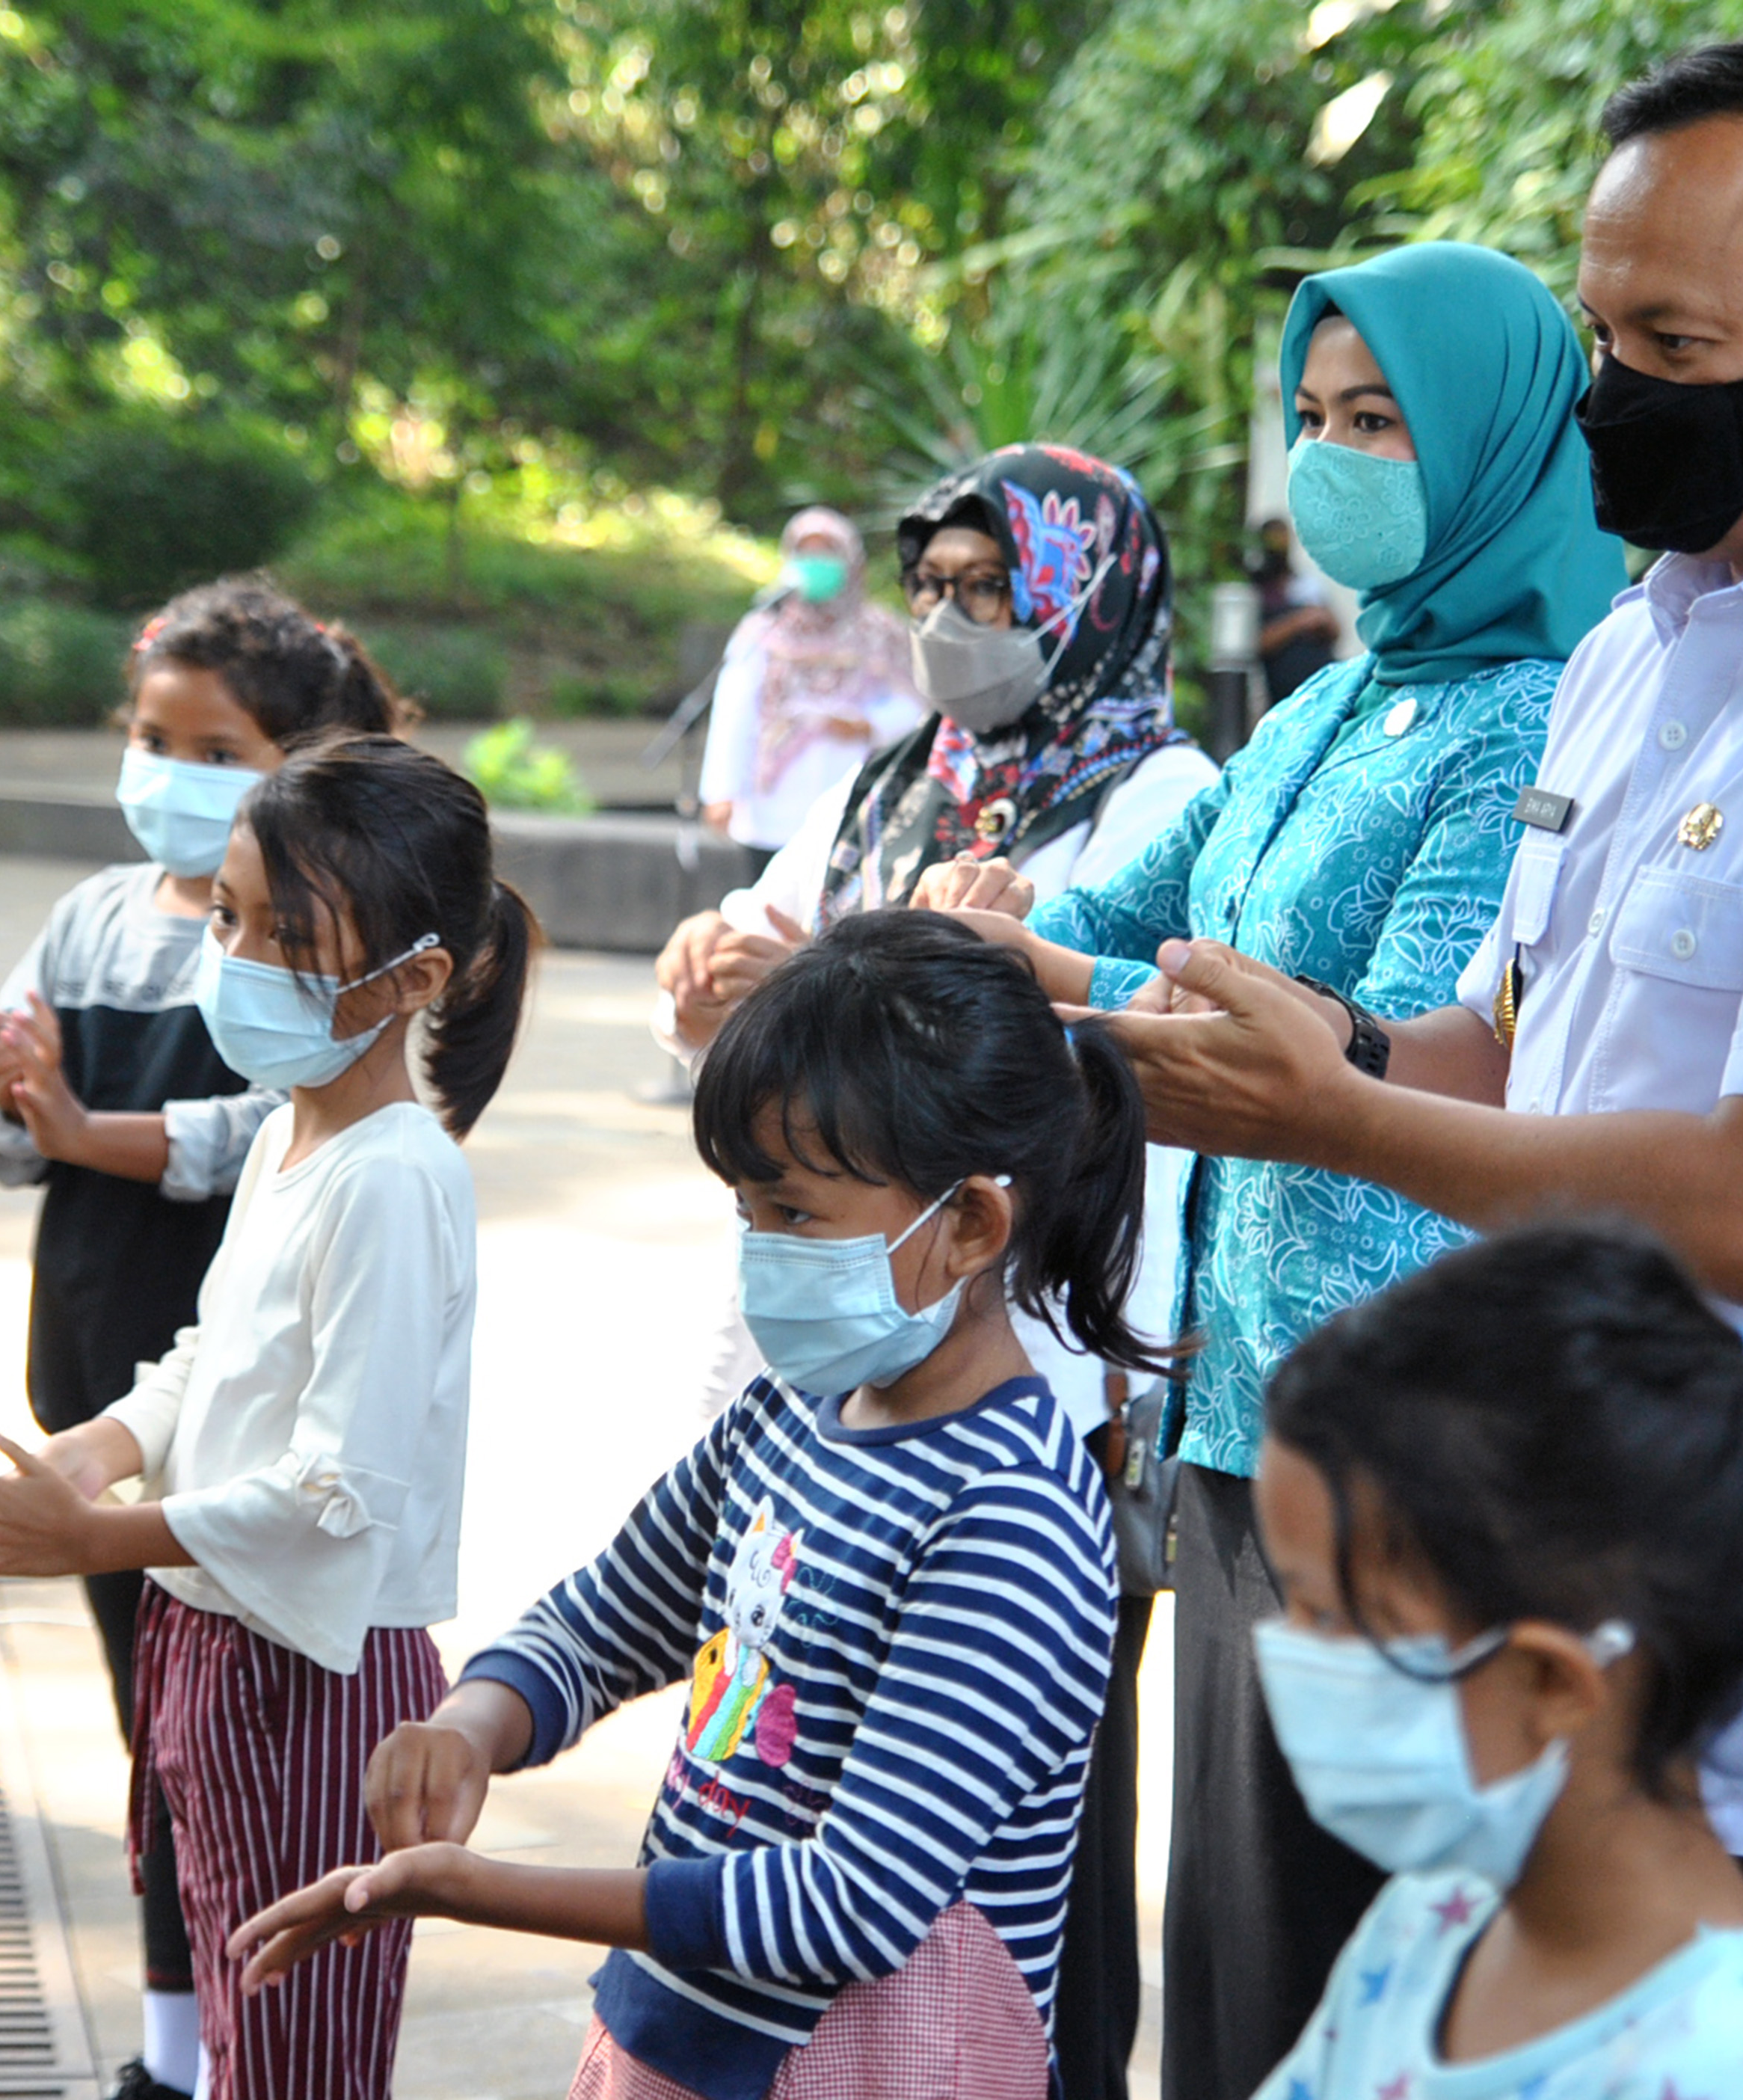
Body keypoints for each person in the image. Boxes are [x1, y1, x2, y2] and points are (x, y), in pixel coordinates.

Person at [1077, 34, 1743, 2097]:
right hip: (1570, 1627)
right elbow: (1521, 1043)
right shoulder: (1652, 638)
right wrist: (1322, 1048)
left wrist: (1342, 1116)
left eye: (1671, 338)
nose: (1606, 394)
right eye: (1596, 326)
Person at [920, 240, 1626, 2100]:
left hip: (1404, 1436)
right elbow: (1112, 929)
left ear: (1490, 441)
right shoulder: (1317, 707)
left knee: (1359, 1978)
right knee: (1233, 1968)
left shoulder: (1543, 713)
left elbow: (1395, 1042)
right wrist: (984, 936)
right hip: (1231, 1411)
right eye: (1310, 420)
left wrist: (1079, 989)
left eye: (1378, 423)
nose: (1331, 463)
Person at [226, 912, 1158, 2100]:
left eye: (797, 1216)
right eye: (745, 1213)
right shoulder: (788, 1417)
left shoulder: (1007, 1519)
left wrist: (481, 1888)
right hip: (682, 2033)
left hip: (881, 2067)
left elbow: (852, 1903)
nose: (761, 1253)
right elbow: (607, 1616)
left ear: (970, 1222)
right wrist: (476, 1721)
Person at [655, 445, 1216, 2098]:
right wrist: (717, 986)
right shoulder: (889, 781)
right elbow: (767, 1008)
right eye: (937, 590)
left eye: (995, 591)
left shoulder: (1167, 799)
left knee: (1024, 1838)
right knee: (793, 1751)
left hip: (1027, 1355)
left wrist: (1121, 1370)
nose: (955, 624)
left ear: (1086, 601)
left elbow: (1151, 1092)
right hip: (838, 1356)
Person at [0, 734, 533, 2100]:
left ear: (415, 977)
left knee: (297, 2061)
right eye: (232, 915)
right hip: (217, 1643)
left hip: (310, 1681)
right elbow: (212, 1351)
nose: (234, 954)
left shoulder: (391, 1179)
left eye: (286, 935)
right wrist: (102, 1446)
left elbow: (331, 1490)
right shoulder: (293, 1129)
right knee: (245, 2042)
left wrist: (100, 1534)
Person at [0, 578, 411, 2100]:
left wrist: (82, 1121)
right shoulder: (85, 915)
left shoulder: (297, 953)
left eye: (217, 748)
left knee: (237, 1763)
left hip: (226, 1434)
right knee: (159, 1748)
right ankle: (173, 2053)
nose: (170, 771)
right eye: (154, 737)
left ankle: (235, 2058)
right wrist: (14, 1096)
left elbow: (256, 1131)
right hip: (106, 1376)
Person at [1252, 1224, 1743, 2098]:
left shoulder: (1721, 2067)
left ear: (1552, 1681)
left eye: (1331, 1615)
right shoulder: (1432, 1922)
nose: (1288, 1655)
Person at [694, 507, 920, 852]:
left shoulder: (881, 632)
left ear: (851, 560)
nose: (815, 563)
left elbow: (916, 705)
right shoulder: (763, 630)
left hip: (852, 802)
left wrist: (866, 725)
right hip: (772, 808)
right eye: (806, 553)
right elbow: (733, 714)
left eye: (827, 552)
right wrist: (720, 792)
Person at [1250, 519, 1341, 708]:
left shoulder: (1306, 584)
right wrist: (1298, 622)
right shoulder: (1256, 590)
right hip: (1284, 698)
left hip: (1323, 688)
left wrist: (1320, 621)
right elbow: (1257, 643)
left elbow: (1336, 631)